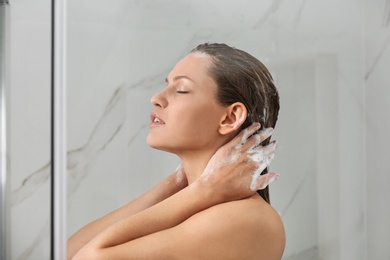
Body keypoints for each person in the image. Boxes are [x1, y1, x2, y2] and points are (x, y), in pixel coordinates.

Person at [68, 43, 285, 259]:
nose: (156, 98)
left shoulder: (246, 219)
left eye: (181, 89)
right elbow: (66, 253)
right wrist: (177, 184)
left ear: (230, 118)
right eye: (166, 85)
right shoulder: (194, 204)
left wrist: (202, 191)